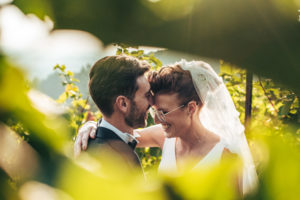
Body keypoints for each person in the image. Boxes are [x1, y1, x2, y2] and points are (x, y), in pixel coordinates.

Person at [75, 59, 257, 195]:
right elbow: (118, 133)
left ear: (191, 108)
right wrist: (90, 126)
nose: (157, 119)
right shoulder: (163, 137)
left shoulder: (226, 157)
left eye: (163, 111)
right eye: (154, 110)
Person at [80, 55, 152, 176]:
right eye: (147, 96)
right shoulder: (112, 162)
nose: (152, 102)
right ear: (123, 103)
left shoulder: (97, 143)